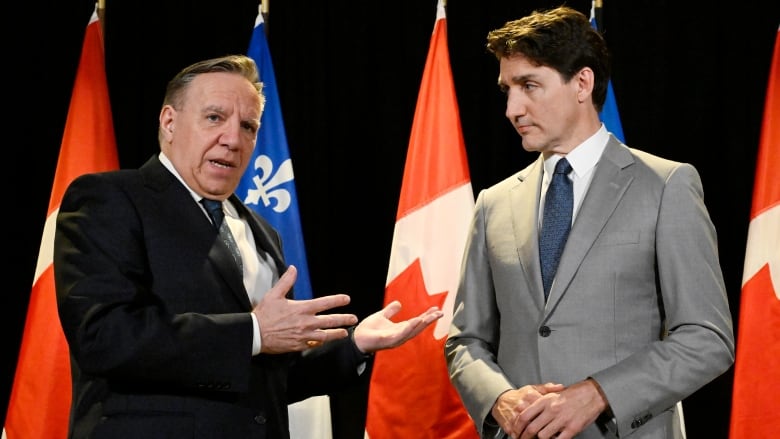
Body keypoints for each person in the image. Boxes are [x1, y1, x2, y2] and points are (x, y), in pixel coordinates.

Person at [54, 54, 443, 439]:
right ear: (169, 122)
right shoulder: (110, 199)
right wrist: (254, 331)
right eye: (214, 117)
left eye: (248, 126)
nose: (233, 139)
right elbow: (104, 336)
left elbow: (262, 376)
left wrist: (354, 346)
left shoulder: (260, 231)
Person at [444, 6, 735, 439]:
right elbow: (465, 340)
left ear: (582, 83)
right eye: (507, 89)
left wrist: (600, 393)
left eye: (529, 86)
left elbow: (707, 338)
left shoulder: (665, 186)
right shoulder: (493, 203)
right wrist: (499, 400)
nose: (511, 108)